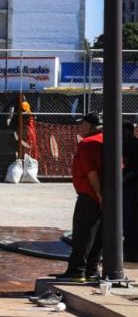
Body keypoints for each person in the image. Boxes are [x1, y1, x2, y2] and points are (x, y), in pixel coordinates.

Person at [54, 112, 104, 281]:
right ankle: (91, 271)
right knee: (97, 236)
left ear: (90, 126)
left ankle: (76, 271)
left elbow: (91, 173)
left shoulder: (87, 144)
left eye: (82, 124)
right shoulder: (109, 141)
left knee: (83, 236)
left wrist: (99, 195)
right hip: (106, 198)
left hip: (89, 196)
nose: (79, 127)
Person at [123, 121, 138, 262]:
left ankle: (130, 252)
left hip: (130, 186)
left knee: (129, 219)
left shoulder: (128, 144)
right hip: (132, 184)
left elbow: (124, 162)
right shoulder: (133, 142)